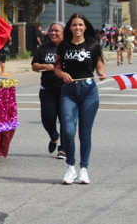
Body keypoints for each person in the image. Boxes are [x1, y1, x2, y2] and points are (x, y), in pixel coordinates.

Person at [54, 13, 106, 185]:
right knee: (68, 131)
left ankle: (84, 169)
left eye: (80, 25)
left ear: (85, 27)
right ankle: (70, 168)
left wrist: (101, 73)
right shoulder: (64, 45)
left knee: (85, 133)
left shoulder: (92, 44)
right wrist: (63, 74)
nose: (77, 28)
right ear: (70, 27)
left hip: (89, 91)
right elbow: (57, 68)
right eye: (74, 25)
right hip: (69, 92)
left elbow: (99, 66)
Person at [32, 21, 66, 159]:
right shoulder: (43, 48)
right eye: (51, 30)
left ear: (63, 33)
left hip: (66, 90)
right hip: (48, 89)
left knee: (65, 119)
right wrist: (45, 66)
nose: (53, 33)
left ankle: (63, 148)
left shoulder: (68, 48)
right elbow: (34, 66)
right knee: (48, 119)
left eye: (57, 31)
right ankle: (54, 136)